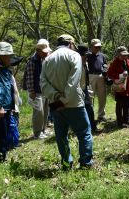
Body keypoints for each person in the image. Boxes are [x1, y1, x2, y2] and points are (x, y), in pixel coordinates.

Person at [40, 34, 93, 170]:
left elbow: (43, 83)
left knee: (61, 135)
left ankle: (66, 162)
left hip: (56, 104)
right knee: (84, 132)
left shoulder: (47, 59)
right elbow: (74, 81)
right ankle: (86, 163)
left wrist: (56, 96)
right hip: (74, 103)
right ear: (70, 43)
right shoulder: (74, 55)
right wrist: (65, 98)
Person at [23, 39, 52, 139]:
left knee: (45, 112)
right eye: (44, 52)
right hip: (36, 91)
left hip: (45, 90)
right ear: (38, 51)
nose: (46, 53)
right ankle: (37, 133)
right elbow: (29, 77)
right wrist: (31, 91)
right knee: (38, 113)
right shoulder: (32, 61)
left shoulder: (45, 59)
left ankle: (43, 130)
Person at [107, 46, 129, 128]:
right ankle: (120, 122)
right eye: (123, 55)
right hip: (119, 87)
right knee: (119, 104)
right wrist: (119, 75)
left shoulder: (127, 61)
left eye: (125, 55)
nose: (125, 56)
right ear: (118, 55)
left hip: (128, 87)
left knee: (126, 104)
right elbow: (109, 74)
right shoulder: (115, 63)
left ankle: (126, 121)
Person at [77, 44, 99, 133]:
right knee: (80, 110)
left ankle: (93, 127)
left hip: (84, 89)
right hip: (77, 90)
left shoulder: (85, 63)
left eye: (87, 55)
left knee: (89, 108)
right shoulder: (75, 64)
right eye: (84, 55)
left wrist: (87, 87)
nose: (86, 57)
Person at [86, 39, 108, 121]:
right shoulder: (87, 55)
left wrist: (105, 68)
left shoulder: (102, 55)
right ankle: (89, 115)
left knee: (102, 97)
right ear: (91, 46)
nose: (98, 48)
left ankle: (101, 115)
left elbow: (105, 64)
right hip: (90, 76)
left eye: (99, 47)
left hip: (101, 76)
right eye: (96, 47)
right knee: (90, 97)